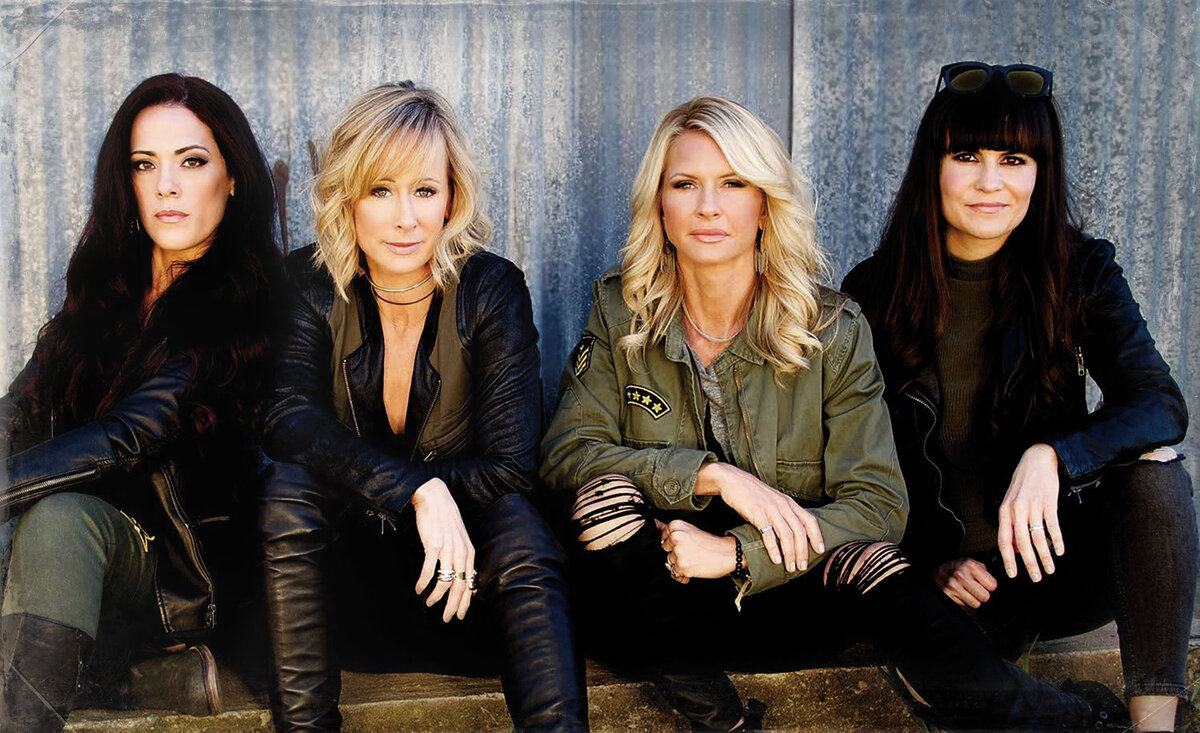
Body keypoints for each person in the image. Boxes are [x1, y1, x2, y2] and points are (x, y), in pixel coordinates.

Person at [541, 94, 1129, 731]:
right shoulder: (620, 311)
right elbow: (566, 454)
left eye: (733, 182)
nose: (709, 206)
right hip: (652, 608)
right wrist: (709, 475)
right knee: (601, 501)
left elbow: (878, 502)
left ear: (765, 204)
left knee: (873, 560)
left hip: (785, 601)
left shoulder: (830, 328)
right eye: (686, 184)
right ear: (660, 203)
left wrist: (737, 554)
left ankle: (1068, 721)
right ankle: (720, 720)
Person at [842, 61, 1197, 732]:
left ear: (1041, 171)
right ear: (933, 167)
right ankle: (1084, 719)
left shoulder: (1080, 268)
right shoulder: (874, 293)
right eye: (967, 155)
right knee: (933, 668)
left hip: (1052, 566)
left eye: (1014, 158)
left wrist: (1056, 456)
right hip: (946, 590)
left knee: (1155, 469)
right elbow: (850, 461)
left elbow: (1159, 402)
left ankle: (1156, 724)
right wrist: (926, 560)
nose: (989, 181)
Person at [259, 82, 587, 732]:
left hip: (460, 594)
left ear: (451, 200)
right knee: (286, 489)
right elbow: (286, 419)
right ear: (347, 196)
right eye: (381, 190)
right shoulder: (309, 285)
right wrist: (416, 491)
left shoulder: (491, 290)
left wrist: (433, 495)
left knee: (518, 523)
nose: (405, 217)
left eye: (425, 191)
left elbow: (509, 466)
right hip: (342, 599)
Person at [0, 73, 281, 731]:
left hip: (180, 580)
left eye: (192, 161)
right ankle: (129, 678)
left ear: (232, 175)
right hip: (82, 575)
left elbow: (132, 432)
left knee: (61, 519)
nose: (167, 185)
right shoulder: (106, 294)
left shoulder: (243, 303)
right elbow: (22, 409)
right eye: (144, 164)